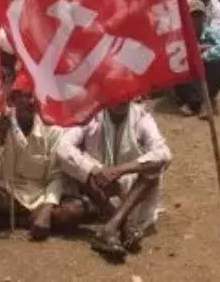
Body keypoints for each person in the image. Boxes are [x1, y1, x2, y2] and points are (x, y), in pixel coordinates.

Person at [56, 99, 172, 259]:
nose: (122, 99)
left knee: (153, 168)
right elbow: (62, 147)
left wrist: (120, 170)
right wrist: (94, 170)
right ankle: (122, 225)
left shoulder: (141, 116)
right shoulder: (90, 114)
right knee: (78, 167)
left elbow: (164, 154)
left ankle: (111, 226)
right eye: (117, 93)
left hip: (131, 191)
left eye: (126, 94)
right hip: (97, 190)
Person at [0, 76, 69, 240]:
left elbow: (56, 177)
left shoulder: (52, 129)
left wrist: (46, 210)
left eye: (35, 96)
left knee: (73, 211)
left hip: (38, 198)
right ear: (13, 100)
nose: (31, 101)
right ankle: (22, 221)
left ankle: (6, 220)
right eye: (26, 96)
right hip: (7, 196)